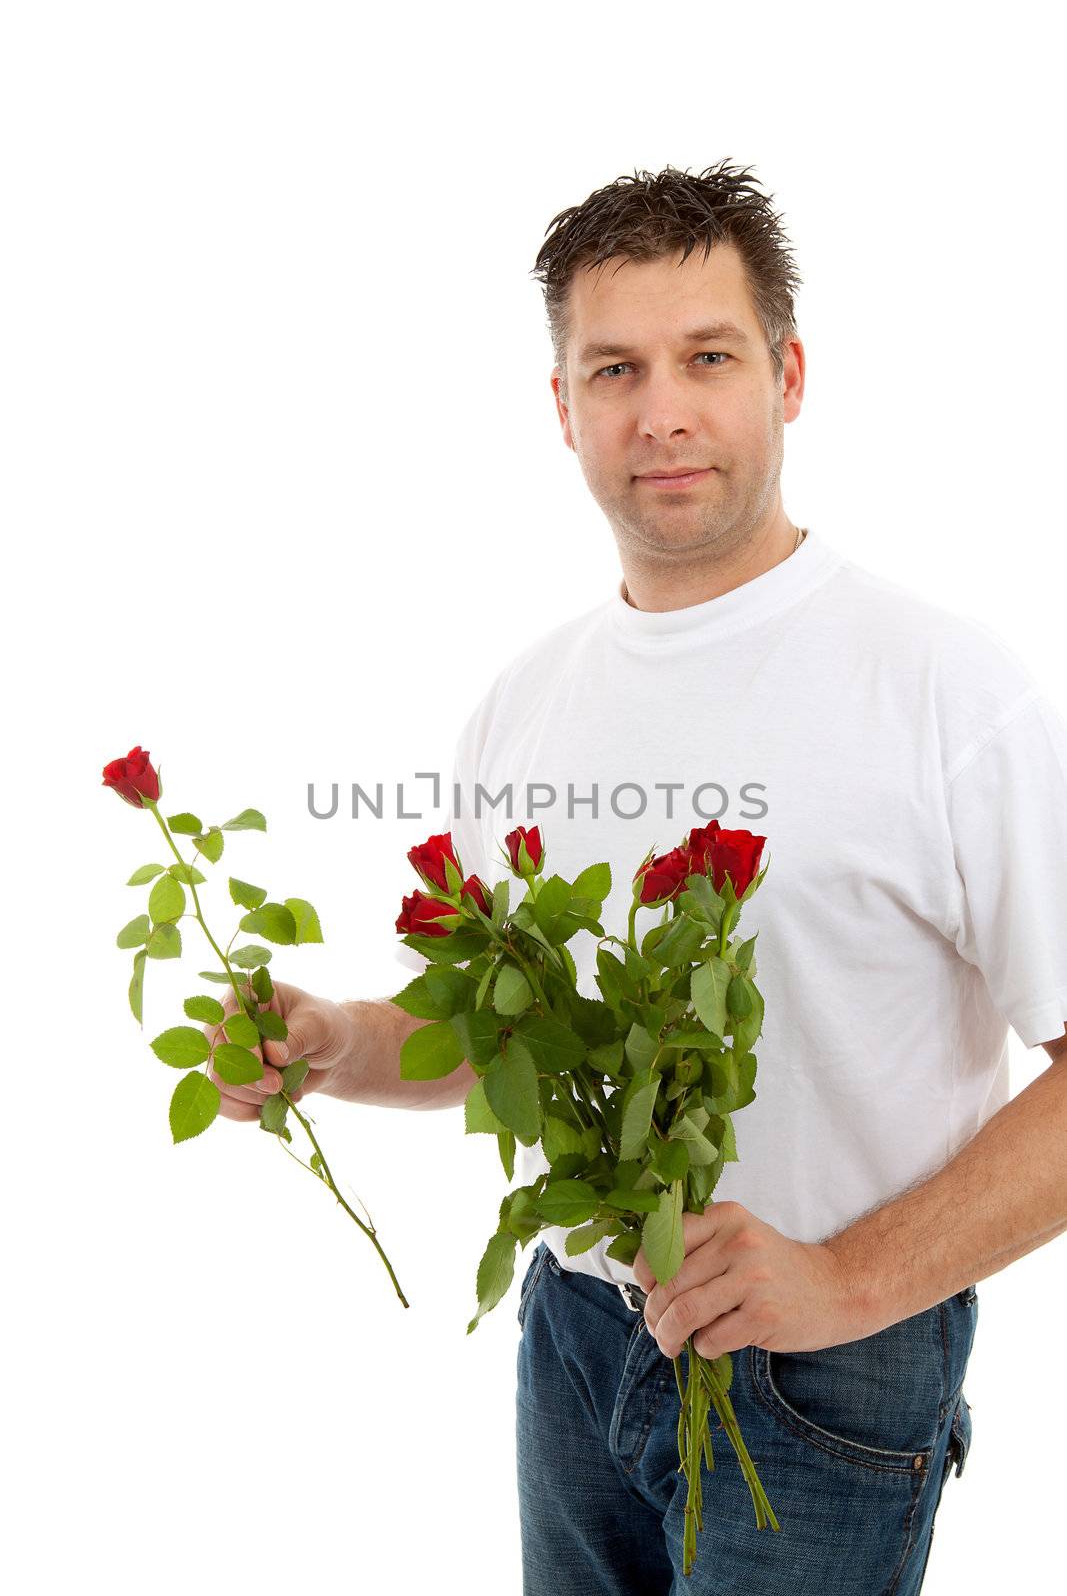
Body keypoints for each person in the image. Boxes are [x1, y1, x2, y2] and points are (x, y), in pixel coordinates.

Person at [208, 162, 1067, 1594]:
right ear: (562, 408)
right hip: (577, 1337)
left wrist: (845, 1282)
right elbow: (508, 1038)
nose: (660, 412)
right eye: (615, 367)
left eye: (708, 358)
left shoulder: (945, 691)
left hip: (828, 1368)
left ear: (789, 377)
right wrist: (345, 1042)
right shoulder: (523, 703)